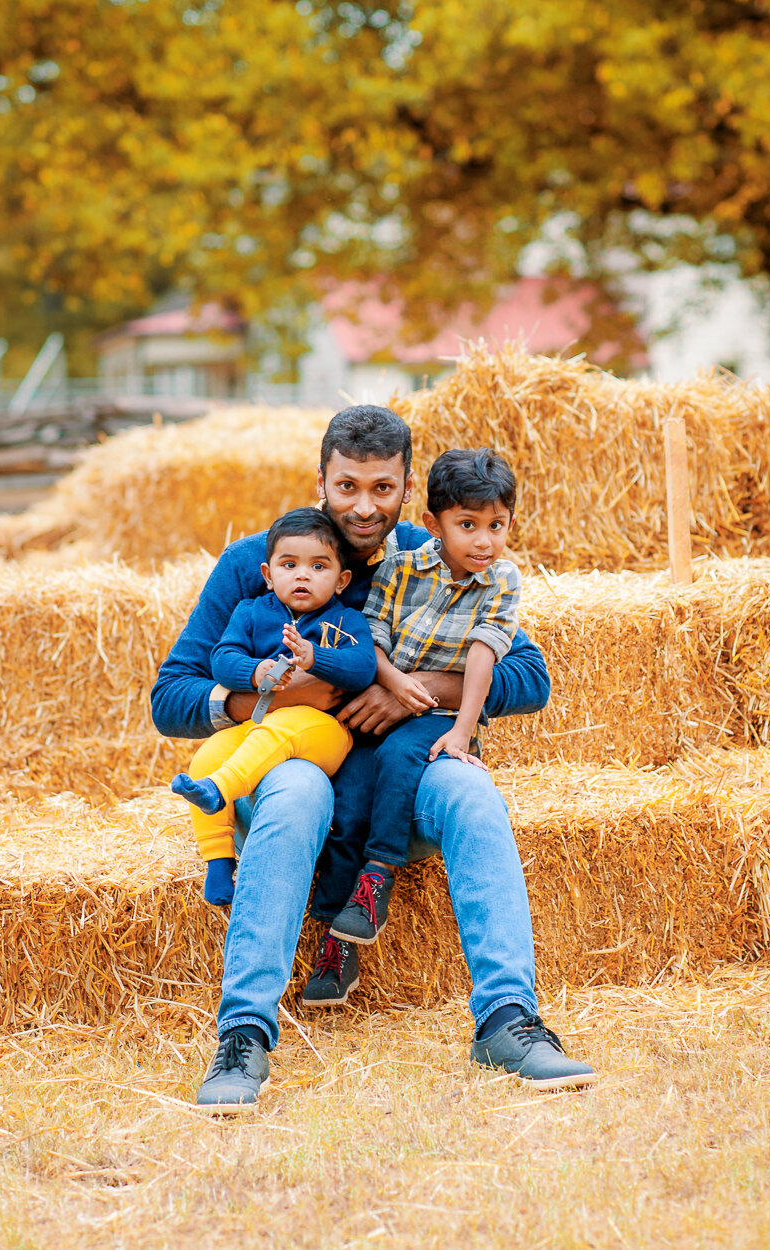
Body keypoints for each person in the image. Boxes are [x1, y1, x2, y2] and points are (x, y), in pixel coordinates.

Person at [151, 404, 596, 1111]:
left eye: (382, 488)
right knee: (296, 788)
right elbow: (170, 697)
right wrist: (289, 698)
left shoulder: (436, 553)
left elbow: (531, 678)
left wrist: (414, 692)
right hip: (295, 765)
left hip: (403, 772)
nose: (364, 506)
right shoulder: (259, 561)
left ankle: (508, 1020)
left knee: (474, 792)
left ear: (407, 485)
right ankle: (243, 1035)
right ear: (320, 479)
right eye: (347, 486)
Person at [325, 447, 521, 946]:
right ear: (435, 524)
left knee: (397, 753)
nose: (485, 541)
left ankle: (379, 873)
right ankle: (332, 929)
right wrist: (392, 681)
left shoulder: (501, 579)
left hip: (444, 714)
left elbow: (484, 654)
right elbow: (372, 636)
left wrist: (461, 731)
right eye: (469, 525)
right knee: (348, 796)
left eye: (497, 526)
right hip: (392, 697)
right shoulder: (401, 569)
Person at [169, 507, 377, 906]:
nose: (303, 575)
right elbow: (222, 658)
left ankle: (222, 788)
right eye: (289, 564)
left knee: (282, 729)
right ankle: (217, 861)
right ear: (268, 575)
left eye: (319, 566)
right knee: (209, 754)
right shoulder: (250, 613)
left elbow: (364, 667)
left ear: (341, 580)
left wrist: (316, 659)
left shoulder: (347, 620)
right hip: (261, 723)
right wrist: (253, 670)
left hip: (324, 732)